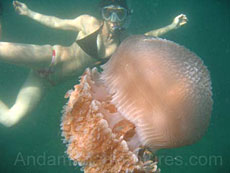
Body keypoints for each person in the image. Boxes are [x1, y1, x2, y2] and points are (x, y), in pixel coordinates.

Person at [0, 0, 187, 127]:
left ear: (126, 17)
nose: (113, 20)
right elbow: (57, 23)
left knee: (10, 119)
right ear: (103, 13)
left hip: (48, 80)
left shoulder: (124, 41)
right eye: (109, 13)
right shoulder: (88, 23)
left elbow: (147, 37)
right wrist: (29, 13)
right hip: (50, 57)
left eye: (119, 15)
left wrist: (172, 26)